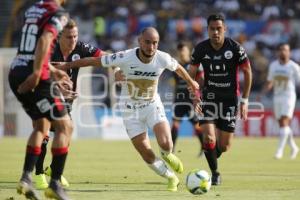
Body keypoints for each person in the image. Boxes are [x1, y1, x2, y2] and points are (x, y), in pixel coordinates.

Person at [57, 27, 199, 192]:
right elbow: (92, 61)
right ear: (139, 41)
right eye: (147, 42)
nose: (151, 47)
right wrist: (67, 65)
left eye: (155, 43)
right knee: (146, 153)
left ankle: (167, 154)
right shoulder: (125, 56)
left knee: (166, 143)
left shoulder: (162, 58)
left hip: (152, 105)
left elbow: (178, 68)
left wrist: (191, 82)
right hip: (130, 110)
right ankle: (170, 177)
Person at [8, 0, 73, 199]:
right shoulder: (59, 13)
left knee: (41, 126)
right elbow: (45, 40)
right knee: (65, 127)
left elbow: (30, 50)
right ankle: (54, 184)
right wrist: (38, 74)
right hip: (33, 76)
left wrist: (52, 70)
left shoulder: (33, 9)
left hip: (16, 70)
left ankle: (26, 179)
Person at [32, 18, 106, 190]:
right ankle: (38, 174)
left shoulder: (80, 48)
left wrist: (117, 67)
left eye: (75, 36)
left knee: (66, 133)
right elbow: (37, 71)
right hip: (43, 94)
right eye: (68, 37)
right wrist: (56, 85)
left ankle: (53, 170)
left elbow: (104, 56)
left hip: (65, 100)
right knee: (43, 132)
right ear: (59, 37)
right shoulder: (49, 49)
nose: (73, 40)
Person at [189, 14, 252, 185]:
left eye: (219, 28)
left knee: (223, 146)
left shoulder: (235, 48)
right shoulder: (201, 48)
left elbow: (247, 72)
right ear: (207, 30)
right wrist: (195, 97)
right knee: (208, 138)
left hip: (230, 101)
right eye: (212, 29)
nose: (215, 32)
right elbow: (191, 74)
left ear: (225, 29)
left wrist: (245, 100)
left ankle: (211, 154)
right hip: (209, 99)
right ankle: (215, 173)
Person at [257, 43, 299, 160]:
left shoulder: (293, 67)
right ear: (277, 52)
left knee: (284, 122)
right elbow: (270, 82)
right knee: (282, 124)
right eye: (280, 50)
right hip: (277, 96)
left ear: (289, 52)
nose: (283, 52)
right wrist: (262, 93)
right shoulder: (274, 65)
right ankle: (294, 147)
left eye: (285, 50)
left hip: (289, 96)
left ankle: (279, 151)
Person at [171, 42, 204, 156]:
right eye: (180, 51)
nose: (181, 53)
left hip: (191, 101)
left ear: (188, 52)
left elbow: (201, 80)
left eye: (183, 50)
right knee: (175, 124)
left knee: (196, 124)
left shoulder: (194, 65)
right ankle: (171, 150)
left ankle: (204, 148)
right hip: (179, 100)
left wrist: (198, 96)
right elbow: (176, 83)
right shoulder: (176, 66)